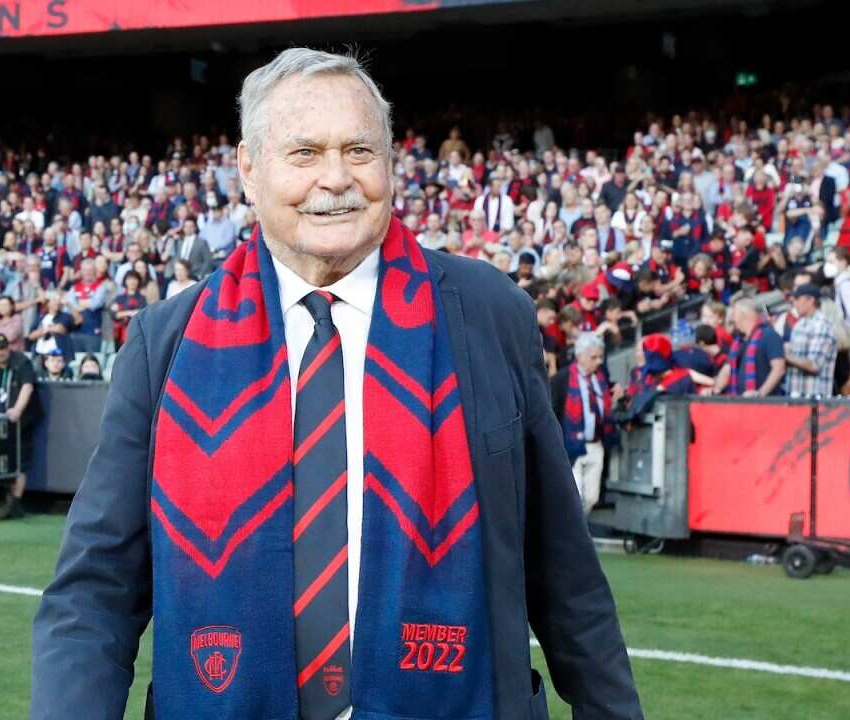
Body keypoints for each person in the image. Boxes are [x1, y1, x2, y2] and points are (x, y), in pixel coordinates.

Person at [32, 48, 640, 720]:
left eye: (358, 149)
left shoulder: (488, 314)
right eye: (305, 153)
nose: (336, 179)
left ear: (389, 163)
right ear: (248, 170)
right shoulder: (165, 343)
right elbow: (94, 593)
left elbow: (565, 577)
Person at [549, 333, 618, 515]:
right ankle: (572, 539)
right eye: (593, 357)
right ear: (580, 356)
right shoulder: (562, 379)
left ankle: (578, 533)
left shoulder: (601, 378)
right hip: (571, 446)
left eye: (599, 357)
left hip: (596, 445)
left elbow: (606, 403)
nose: (598, 361)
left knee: (591, 498)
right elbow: (552, 411)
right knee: (575, 496)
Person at [0, 334, 38, 519]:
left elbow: (27, 386)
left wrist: (18, 409)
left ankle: (15, 502)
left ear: (8, 348)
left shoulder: (21, 362)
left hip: (20, 421)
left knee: (19, 461)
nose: (0, 353)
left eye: (3, 348)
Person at [716, 298, 786, 396]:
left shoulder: (769, 335)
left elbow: (779, 369)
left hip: (765, 404)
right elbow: (727, 369)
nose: (732, 319)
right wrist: (715, 390)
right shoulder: (738, 341)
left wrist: (760, 393)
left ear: (744, 316)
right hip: (741, 402)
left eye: (734, 314)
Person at [783, 284, 838, 398]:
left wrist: (783, 355)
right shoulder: (800, 323)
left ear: (810, 300)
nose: (794, 303)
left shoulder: (822, 325)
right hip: (794, 395)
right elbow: (793, 351)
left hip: (813, 399)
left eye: (798, 299)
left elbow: (814, 365)